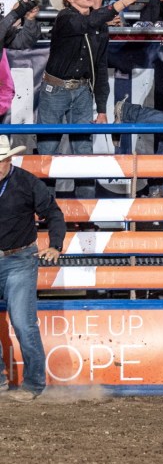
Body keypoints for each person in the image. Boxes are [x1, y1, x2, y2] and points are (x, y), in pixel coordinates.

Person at [37, 0, 144, 160]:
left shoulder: (99, 24)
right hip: (56, 90)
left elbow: (100, 66)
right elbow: (85, 24)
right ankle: (44, 191)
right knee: (47, 151)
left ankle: (83, 190)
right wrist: (124, 2)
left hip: (82, 92)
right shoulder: (65, 18)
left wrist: (101, 109)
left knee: (83, 152)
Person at [0, 135, 66, 401]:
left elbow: (53, 212)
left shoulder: (26, 183)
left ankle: (34, 384)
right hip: (16, 259)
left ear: (9, 160)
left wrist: (56, 245)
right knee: (23, 322)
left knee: (23, 324)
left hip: (19, 260)